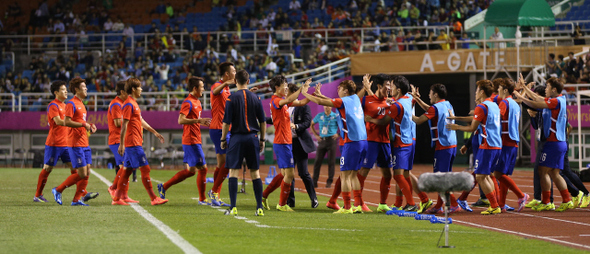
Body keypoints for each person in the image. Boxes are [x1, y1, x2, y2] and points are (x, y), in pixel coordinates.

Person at [302, 80, 368, 214]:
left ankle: (347, 207)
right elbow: (333, 101)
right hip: (363, 141)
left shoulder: (342, 101)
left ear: (345, 91)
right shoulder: (354, 98)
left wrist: (304, 93)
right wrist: (320, 94)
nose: (337, 89)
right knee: (354, 175)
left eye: (340, 88)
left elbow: (321, 103)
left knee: (344, 176)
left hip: (352, 142)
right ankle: (358, 205)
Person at [365, 76, 426, 212]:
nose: (389, 88)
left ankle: (413, 202)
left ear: (398, 89)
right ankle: (416, 201)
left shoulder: (396, 106)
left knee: (398, 175)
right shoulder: (408, 99)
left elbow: (383, 121)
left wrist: (370, 119)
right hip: (410, 140)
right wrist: (369, 90)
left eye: (391, 86)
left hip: (401, 143)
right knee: (404, 174)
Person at [513, 77, 574, 212]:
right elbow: (536, 101)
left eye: (547, 87)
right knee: (554, 173)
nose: (545, 89)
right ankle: (566, 199)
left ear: (553, 89)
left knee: (542, 171)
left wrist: (521, 93)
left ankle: (547, 202)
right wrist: (524, 91)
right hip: (560, 142)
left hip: (553, 143)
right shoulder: (559, 101)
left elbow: (537, 102)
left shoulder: (555, 101)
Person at [447, 80, 502, 215]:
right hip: (497, 144)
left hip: (487, 144)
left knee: (480, 177)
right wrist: (456, 117)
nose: (475, 93)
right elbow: (474, 119)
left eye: (477, 90)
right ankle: (495, 204)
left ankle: (495, 206)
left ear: (482, 92)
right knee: (486, 175)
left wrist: (457, 127)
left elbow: (473, 126)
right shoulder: (494, 105)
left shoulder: (482, 107)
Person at [111, 78, 168, 206]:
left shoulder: (134, 104)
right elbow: (124, 125)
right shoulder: (128, 104)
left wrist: (154, 132)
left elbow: (141, 121)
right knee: (145, 169)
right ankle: (154, 198)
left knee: (126, 172)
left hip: (135, 142)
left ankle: (117, 199)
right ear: (133, 89)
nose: (141, 89)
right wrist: (121, 144)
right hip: (133, 143)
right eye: (140, 87)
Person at [157, 77, 212, 204]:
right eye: (202, 86)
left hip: (195, 138)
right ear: (195, 88)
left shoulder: (197, 101)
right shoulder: (188, 102)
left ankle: (164, 186)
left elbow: (193, 120)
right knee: (203, 169)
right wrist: (198, 121)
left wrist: (200, 122)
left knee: (191, 171)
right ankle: (202, 199)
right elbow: (180, 120)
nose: (203, 89)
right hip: (191, 139)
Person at [262, 76, 312, 212]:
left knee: (285, 174)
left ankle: (264, 195)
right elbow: (290, 99)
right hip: (282, 142)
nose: (286, 88)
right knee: (289, 175)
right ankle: (282, 204)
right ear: (277, 87)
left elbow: (301, 102)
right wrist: (301, 88)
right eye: (285, 86)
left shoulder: (283, 102)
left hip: (285, 142)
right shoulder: (276, 101)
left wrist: (312, 94)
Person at [221, 70, 267, 216]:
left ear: (235, 81)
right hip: (253, 137)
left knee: (233, 172)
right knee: (255, 173)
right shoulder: (257, 98)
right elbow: (263, 122)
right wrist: (262, 139)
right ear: (248, 81)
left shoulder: (231, 98)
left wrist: (223, 139)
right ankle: (259, 207)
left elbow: (226, 123)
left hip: (237, 138)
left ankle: (233, 207)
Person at [411, 83, 462, 213]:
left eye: (430, 92)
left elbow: (418, 120)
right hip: (451, 144)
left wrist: (403, 111)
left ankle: (454, 204)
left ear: (435, 94)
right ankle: (439, 206)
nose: (428, 95)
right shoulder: (446, 104)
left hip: (443, 146)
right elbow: (432, 110)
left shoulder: (436, 108)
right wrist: (417, 99)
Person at [358, 74, 405, 213]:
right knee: (363, 172)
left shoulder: (390, 102)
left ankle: (382, 204)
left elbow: (381, 103)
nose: (390, 88)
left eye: (391, 85)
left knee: (387, 174)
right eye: (387, 85)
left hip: (385, 142)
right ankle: (359, 202)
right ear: (379, 86)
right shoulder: (365, 100)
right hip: (370, 141)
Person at [51, 78, 99, 206]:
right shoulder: (71, 104)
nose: (86, 89)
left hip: (84, 142)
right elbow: (66, 122)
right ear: (77, 89)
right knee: (82, 173)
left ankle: (76, 200)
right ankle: (58, 190)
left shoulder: (82, 104)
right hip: (75, 143)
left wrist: (89, 127)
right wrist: (84, 124)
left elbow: (81, 124)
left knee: (87, 172)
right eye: (84, 87)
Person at [34, 81, 76, 202]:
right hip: (54, 144)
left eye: (66, 89)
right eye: (63, 89)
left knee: (76, 169)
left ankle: (80, 194)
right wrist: (76, 124)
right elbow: (57, 121)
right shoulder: (53, 105)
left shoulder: (66, 105)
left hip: (66, 144)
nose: (66, 91)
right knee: (47, 169)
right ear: (56, 92)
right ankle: (37, 195)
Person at [492, 78, 529, 212]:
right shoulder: (514, 103)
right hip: (513, 141)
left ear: (505, 90)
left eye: (500, 88)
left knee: (497, 174)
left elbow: (496, 120)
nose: (498, 90)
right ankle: (501, 204)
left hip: (505, 141)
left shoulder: (504, 103)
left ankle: (521, 195)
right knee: (504, 174)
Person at [207, 62, 236, 207]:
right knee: (229, 161)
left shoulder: (227, 90)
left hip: (223, 128)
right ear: (227, 74)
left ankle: (215, 195)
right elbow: (214, 92)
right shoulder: (217, 85)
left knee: (221, 164)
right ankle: (214, 191)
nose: (235, 73)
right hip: (219, 129)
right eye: (233, 71)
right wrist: (226, 84)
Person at [106, 81, 138, 204]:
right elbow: (118, 123)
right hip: (116, 140)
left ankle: (124, 195)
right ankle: (115, 191)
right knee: (125, 166)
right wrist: (132, 121)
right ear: (122, 92)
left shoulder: (123, 103)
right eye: (127, 91)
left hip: (122, 139)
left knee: (127, 166)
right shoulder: (116, 104)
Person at [311, 105, 339, 188]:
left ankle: (329, 181)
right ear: (323, 107)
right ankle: (314, 182)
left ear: (331, 107)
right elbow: (311, 124)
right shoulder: (320, 115)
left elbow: (343, 126)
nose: (326, 107)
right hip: (322, 140)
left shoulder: (335, 116)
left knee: (331, 162)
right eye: (325, 106)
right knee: (317, 162)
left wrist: (338, 134)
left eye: (328, 106)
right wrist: (316, 135)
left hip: (332, 140)